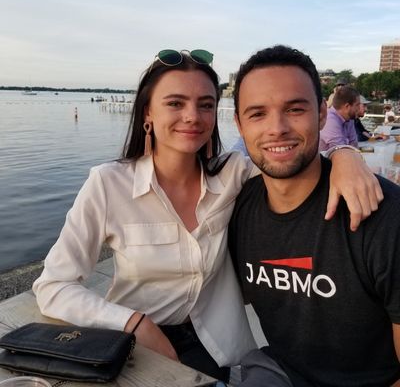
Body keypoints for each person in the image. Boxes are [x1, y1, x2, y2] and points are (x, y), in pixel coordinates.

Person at [33, 49, 381, 383]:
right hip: (132, 344)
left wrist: (345, 155)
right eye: (175, 103)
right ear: (147, 113)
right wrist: (134, 323)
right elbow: (53, 285)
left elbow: (292, 164)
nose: (192, 116)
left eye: (206, 104)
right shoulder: (109, 184)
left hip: (214, 346)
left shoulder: (233, 173)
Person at [229, 45, 400, 386]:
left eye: (295, 109)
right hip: (280, 373)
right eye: (257, 114)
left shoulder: (382, 214)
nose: (277, 128)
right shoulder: (237, 204)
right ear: (239, 124)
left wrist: (344, 152)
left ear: (322, 113)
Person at [319, 85, 360, 150]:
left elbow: (354, 145)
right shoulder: (330, 120)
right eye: (357, 105)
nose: (359, 108)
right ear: (347, 106)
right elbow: (340, 151)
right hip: (331, 156)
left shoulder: (349, 119)